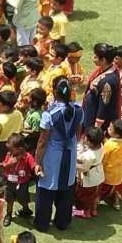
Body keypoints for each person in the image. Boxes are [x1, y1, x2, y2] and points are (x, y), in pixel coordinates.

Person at [34, 77, 83, 232]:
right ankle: (63, 222)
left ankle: (42, 223)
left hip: (52, 155)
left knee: (46, 188)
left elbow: (42, 141)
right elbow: (78, 133)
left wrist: (37, 162)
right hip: (70, 151)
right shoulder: (79, 109)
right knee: (67, 186)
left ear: (55, 92)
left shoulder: (49, 114)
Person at [82, 43, 121, 133]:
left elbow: (104, 104)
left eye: (95, 57)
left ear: (103, 60)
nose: (93, 58)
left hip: (95, 117)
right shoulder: (108, 70)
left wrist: (97, 127)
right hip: (91, 111)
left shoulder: (108, 81)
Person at [2, 134, 36, 226]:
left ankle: (26, 210)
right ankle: (8, 214)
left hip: (22, 183)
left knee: (23, 199)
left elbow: (33, 165)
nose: (9, 151)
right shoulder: (9, 155)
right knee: (10, 200)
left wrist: (37, 170)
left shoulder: (27, 156)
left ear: (20, 149)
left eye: (12, 149)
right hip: (10, 182)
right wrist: (8, 164)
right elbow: (4, 166)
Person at [98, 119, 122, 211]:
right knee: (116, 189)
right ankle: (116, 202)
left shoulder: (109, 145)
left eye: (110, 129)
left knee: (102, 190)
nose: (108, 129)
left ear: (116, 134)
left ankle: (95, 203)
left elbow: (104, 159)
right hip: (119, 171)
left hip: (108, 173)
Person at [74, 127, 105, 219]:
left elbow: (83, 168)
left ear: (88, 140)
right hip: (99, 175)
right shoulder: (101, 146)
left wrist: (75, 162)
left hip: (89, 179)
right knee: (95, 194)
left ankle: (86, 213)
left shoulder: (88, 156)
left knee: (85, 197)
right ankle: (94, 210)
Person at [0, 91, 24, 164]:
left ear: (6, 106)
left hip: (1, 147)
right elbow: (20, 130)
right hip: (15, 144)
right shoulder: (18, 113)